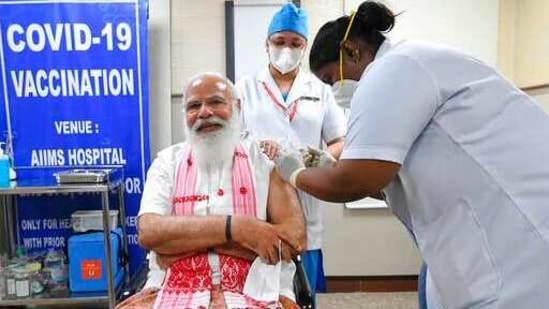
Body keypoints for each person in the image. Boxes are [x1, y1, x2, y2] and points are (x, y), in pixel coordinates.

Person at [274, 1, 549, 308]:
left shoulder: (393, 69)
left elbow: (353, 182)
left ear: (351, 51)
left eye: (330, 79)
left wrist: (295, 174)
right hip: (473, 229)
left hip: (517, 246)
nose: (335, 89)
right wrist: (327, 166)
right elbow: (391, 181)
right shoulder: (413, 63)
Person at [116, 72, 306, 309]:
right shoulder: (167, 162)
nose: (204, 112)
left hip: (256, 287)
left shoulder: (266, 161)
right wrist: (239, 229)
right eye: (194, 106)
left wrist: (183, 244)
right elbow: (149, 232)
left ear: (237, 107)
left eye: (216, 102)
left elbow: (293, 239)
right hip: (172, 287)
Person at [236, 3, 347, 300]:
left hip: (306, 195)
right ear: (267, 44)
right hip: (258, 198)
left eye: (295, 43)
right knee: (258, 290)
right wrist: (255, 149)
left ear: (304, 46)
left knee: (302, 291)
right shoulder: (245, 88)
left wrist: (311, 156)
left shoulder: (320, 89)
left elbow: (341, 141)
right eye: (279, 41)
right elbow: (232, 142)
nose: (286, 49)